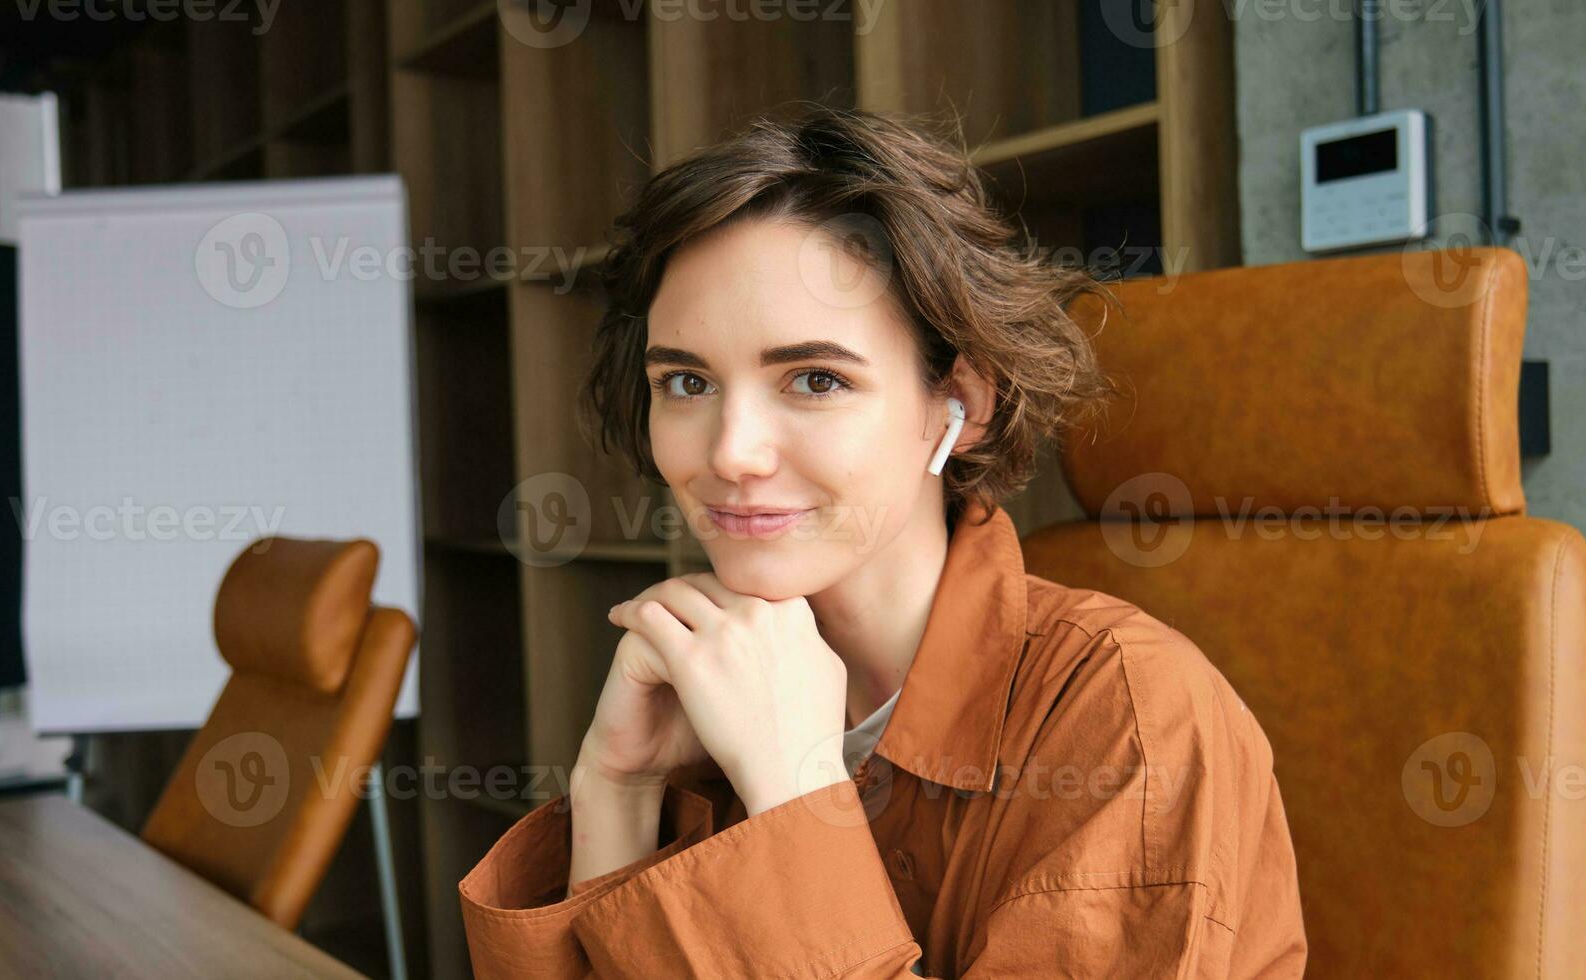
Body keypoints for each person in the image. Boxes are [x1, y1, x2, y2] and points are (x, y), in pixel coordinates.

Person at [458, 105, 1307, 978]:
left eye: (815, 379)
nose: (729, 452)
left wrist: (793, 793)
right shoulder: (704, 678)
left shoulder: (1132, 721)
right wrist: (617, 792)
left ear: (960, 405)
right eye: (686, 380)